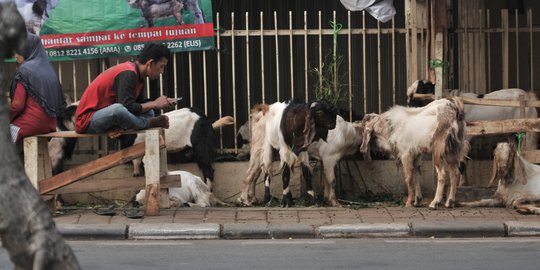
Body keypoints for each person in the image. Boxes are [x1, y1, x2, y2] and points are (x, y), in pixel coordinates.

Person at [74, 43, 176, 138]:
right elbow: (127, 107)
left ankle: (131, 125)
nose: (162, 71)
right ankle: (148, 123)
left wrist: (161, 103)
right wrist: (155, 103)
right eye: (161, 66)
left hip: (107, 117)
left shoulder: (139, 76)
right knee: (118, 109)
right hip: (86, 121)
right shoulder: (128, 73)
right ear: (150, 63)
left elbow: (137, 106)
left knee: (149, 112)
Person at [10, 32, 66, 146]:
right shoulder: (49, 70)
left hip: (30, 124)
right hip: (49, 125)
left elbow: (17, 105)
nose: (15, 55)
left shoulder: (25, 70)